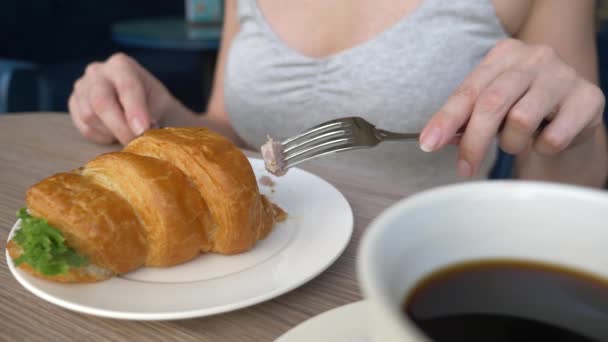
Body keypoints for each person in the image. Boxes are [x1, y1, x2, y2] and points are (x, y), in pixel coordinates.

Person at [68, 0, 608, 190]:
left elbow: (565, 188)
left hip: (415, 272)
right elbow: (233, 134)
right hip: (261, 262)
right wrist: (161, 115)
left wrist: (570, 130)